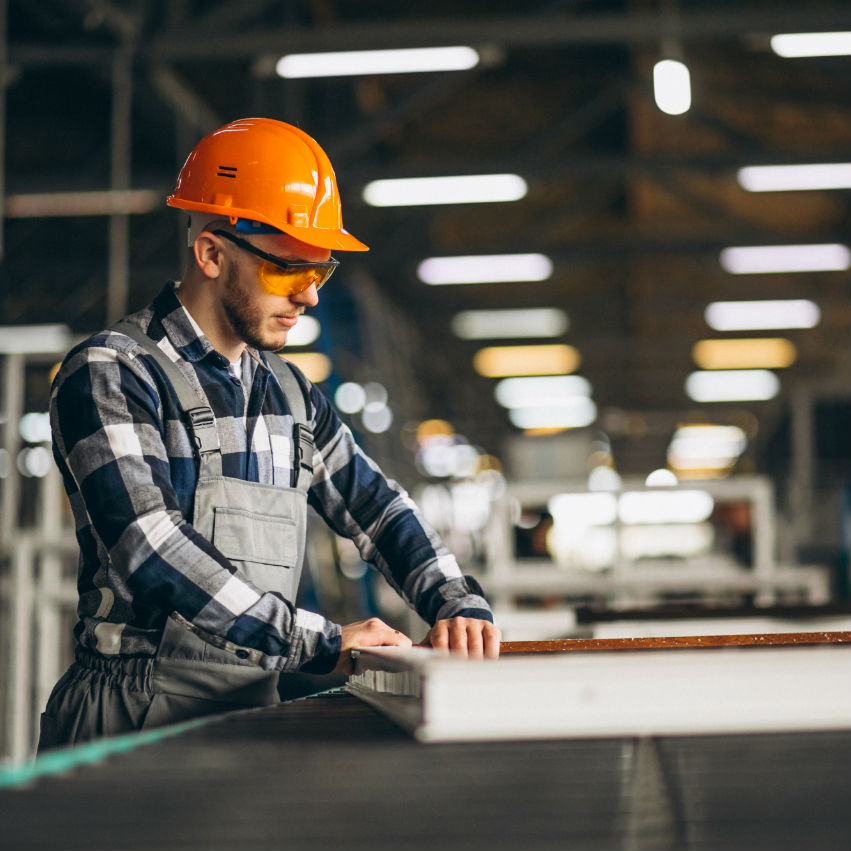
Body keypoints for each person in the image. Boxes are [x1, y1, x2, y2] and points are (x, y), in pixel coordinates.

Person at [39, 117, 500, 750]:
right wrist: (319, 642)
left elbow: (377, 505)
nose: (308, 297)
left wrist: (455, 601)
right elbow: (149, 547)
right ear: (211, 254)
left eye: (319, 273)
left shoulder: (290, 395)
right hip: (129, 715)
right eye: (288, 273)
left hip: (250, 708)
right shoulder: (114, 371)